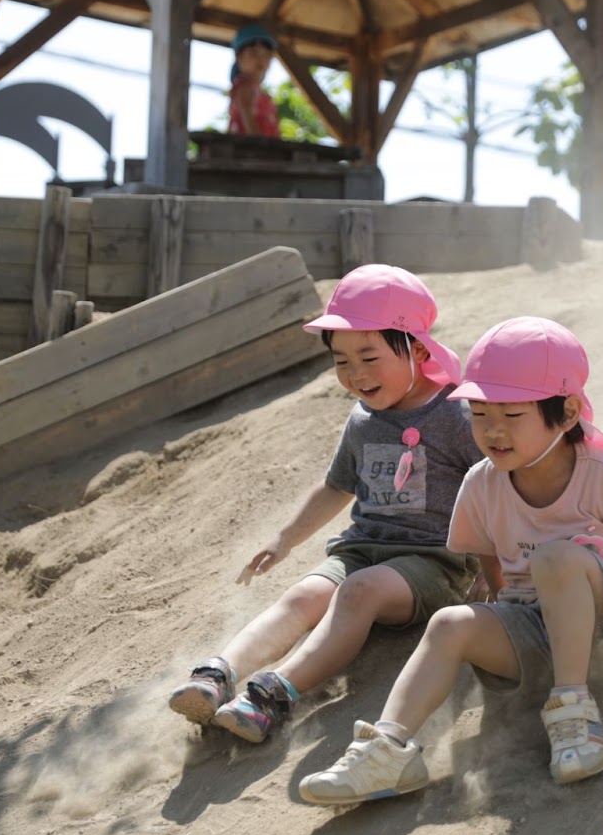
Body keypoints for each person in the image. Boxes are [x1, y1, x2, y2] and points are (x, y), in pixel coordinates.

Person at [298, 316, 603, 805]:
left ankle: (573, 717)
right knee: (450, 622)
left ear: (565, 414)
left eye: (511, 416)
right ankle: (388, 751)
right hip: (537, 640)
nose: (492, 431)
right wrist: (494, 612)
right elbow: (488, 563)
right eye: (478, 414)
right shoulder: (481, 483)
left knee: (558, 559)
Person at [167, 264, 486, 743]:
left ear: (417, 349)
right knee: (303, 595)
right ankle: (217, 675)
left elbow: (494, 486)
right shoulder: (363, 420)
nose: (356, 375)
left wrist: (491, 565)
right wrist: (286, 539)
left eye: (369, 357)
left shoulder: (457, 413)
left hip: (433, 564)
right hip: (362, 550)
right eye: (341, 362)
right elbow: (337, 486)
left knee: (359, 592)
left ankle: (272, 695)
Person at [227, 24, 281, 138]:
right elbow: (248, 120)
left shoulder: (260, 92)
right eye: (253, 53)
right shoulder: (244, 86)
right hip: (252, 152)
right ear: (238, 56)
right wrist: (262, 150)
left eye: (266, 54)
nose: (260, 59)